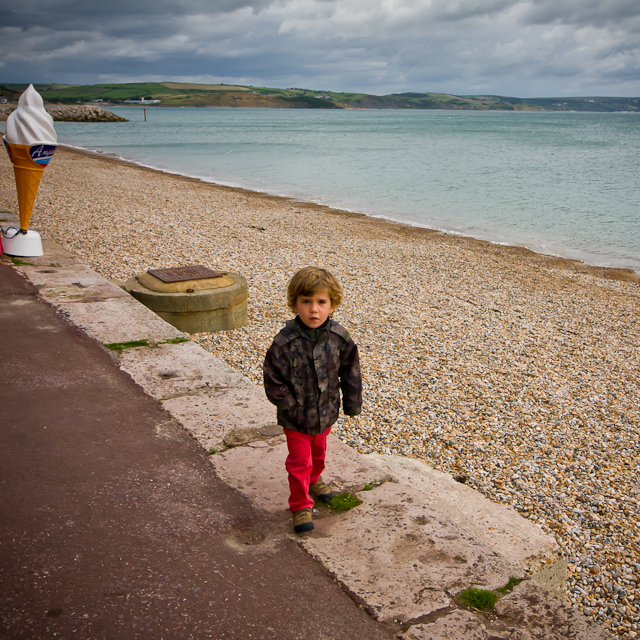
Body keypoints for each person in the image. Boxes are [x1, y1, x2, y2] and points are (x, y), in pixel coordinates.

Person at [263, 266, 362, 533]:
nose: (313, 310)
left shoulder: (339, 337)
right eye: (306, 302)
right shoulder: (284, 343)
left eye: (321, 302)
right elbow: (272, 379)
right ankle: (300, 505)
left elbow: (350, 370)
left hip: (326, 412)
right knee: (299, 461)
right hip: (295, 419)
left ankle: (314, 480)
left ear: (332, 305)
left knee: (318, 454)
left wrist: (352, 403)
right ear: (295, 303)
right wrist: (290, 407)